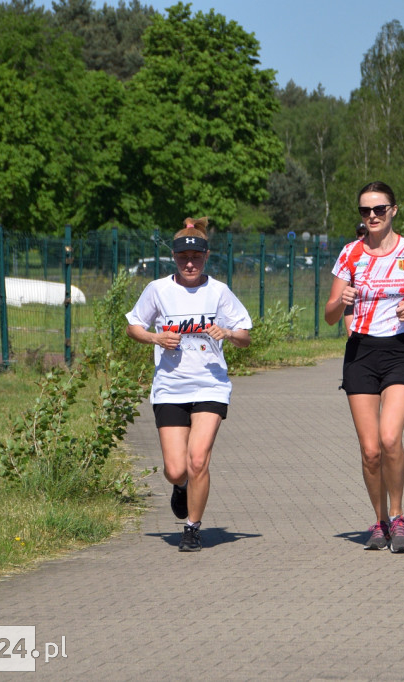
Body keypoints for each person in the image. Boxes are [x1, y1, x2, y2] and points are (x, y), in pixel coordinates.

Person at [125, 217, 253, 552]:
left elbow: (245, 336)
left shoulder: (219, 292)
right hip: (170, 387)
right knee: (175, 468)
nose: (190, 263)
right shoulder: (158, 290)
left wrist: (227, 332)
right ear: (174, 258)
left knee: (198, 460)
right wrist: (155, 336)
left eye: (196, 257)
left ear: (207, 256)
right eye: (183, 258)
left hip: (210, 385)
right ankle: (180, 487)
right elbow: (133, 325)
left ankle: (192, 527)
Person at [324, 181, 404, 552]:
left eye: (378, 209)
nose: (371, 216)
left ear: (393, 210)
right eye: (364, 211)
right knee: (370, 449)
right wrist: (340, 300)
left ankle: (399, 514)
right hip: (360, 353)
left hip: (400, 351)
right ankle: (379, 522)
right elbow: (328, 316)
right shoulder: (350, 254)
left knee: (390, 438)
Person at [343, 222, 369, 336]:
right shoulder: (351, 251)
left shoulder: (375, 252)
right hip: (353, 298)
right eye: (360, 234)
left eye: (365, 234)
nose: (362, 237)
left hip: (368, 298)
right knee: (352, 337)